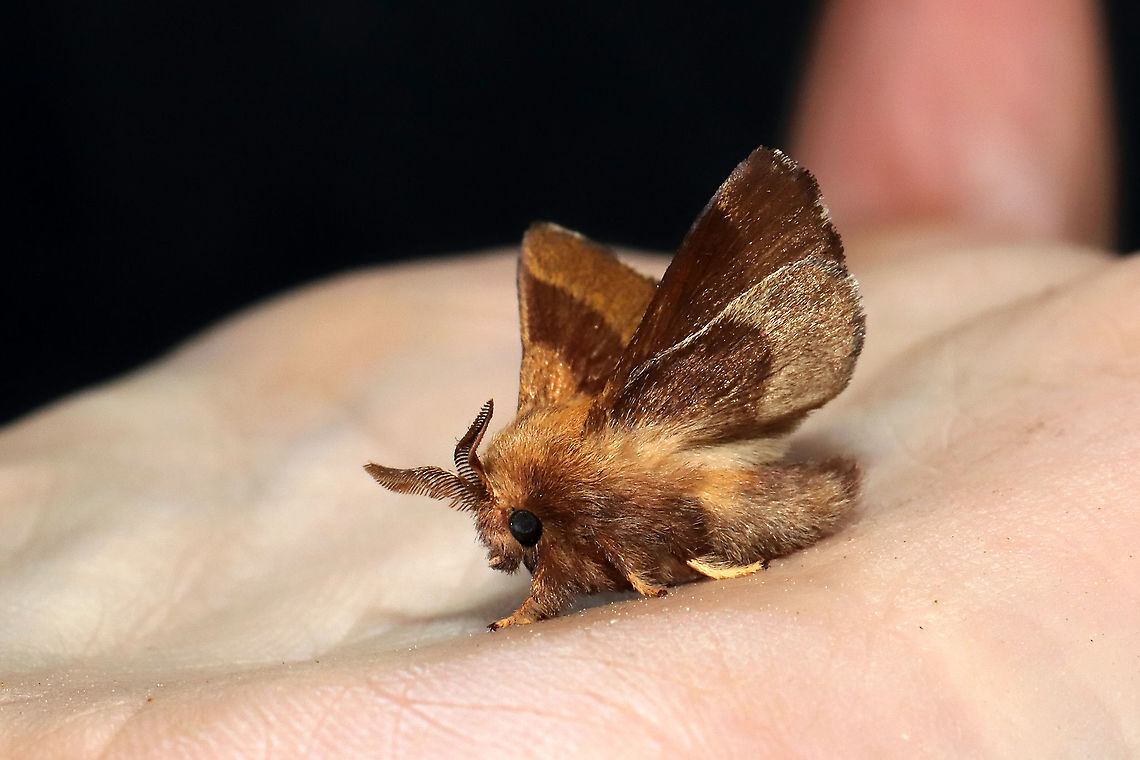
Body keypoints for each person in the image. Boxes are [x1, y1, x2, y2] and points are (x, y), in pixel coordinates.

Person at [2, 0, 1134, 755]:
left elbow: (590, 539)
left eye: (516, 535)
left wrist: (610, 585)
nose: (503, 551)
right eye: (511, 539)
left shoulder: (594, 482)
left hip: (765, 498)